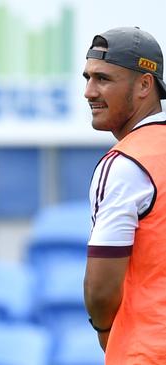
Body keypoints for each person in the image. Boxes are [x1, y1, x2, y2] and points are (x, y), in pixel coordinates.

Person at [82, 27, 166, 363]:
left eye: (103, 79)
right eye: (87, 78)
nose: (89, 91)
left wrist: (107, 333)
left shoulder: (125, 164)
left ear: (145, 85)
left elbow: (101, 288)